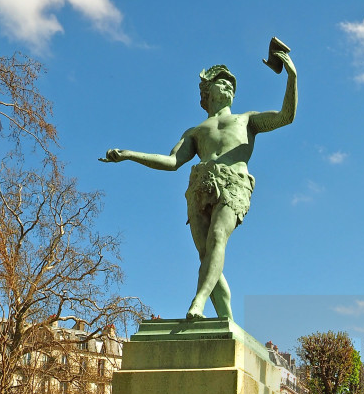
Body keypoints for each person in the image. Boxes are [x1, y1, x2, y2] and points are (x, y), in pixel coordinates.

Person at [101, 46, 297, 321]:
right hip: (198, 188)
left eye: (232, 84)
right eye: (223, 81)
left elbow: (285, 116)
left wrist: (292, 77)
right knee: (208, 257)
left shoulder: (247, 120)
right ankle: (227, 322)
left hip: (233, 184)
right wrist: (130, 155)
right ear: (207, 91)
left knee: (218, 238)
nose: (229, 86)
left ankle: (198, 301)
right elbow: (171, 162)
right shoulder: (194, 131)